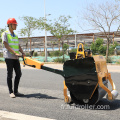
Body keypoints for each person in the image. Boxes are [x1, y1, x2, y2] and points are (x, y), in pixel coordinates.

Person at [1, 18, 25, 98]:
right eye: (15, 24)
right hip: (9, 57)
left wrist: (22, 52)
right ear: (10, 25)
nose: (16, 26)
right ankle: (11, 92)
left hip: (16, 57)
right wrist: (14, 52)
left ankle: (16, 91)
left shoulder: (16, 35)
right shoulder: (5, 33)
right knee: (10, 75)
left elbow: (18, 45)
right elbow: (6, 45)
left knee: (19, 74)